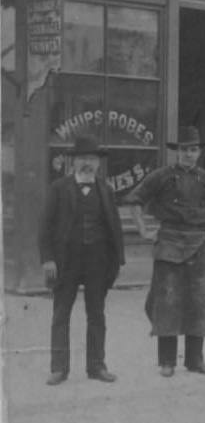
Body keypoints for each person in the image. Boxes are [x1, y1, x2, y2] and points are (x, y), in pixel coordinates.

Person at [125, 126, 205, 377]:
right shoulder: (161, 176)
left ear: (199, 152)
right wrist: (143, 230)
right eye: (184, 150)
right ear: (176, 152)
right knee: (167, 302)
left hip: (198, 243)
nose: (189, 155)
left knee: (199, 301)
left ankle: (195, 360)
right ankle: (167, 361)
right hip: (168, 241)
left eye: (193, 150)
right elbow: (134, 200)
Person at [40, 135, 125, 386]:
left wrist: (117, 261)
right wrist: (47, 259)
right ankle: (59, 368)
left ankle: (97, 366)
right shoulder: (58, 188)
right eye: (82, 159)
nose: (87, 164)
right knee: (61, 314)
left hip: (97, 262)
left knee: (96, 315)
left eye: (92, 159)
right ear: (73, 162)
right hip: (65, 261)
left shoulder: (106, 190)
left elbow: (115, 228)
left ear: (99, 163)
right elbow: (44, 226)